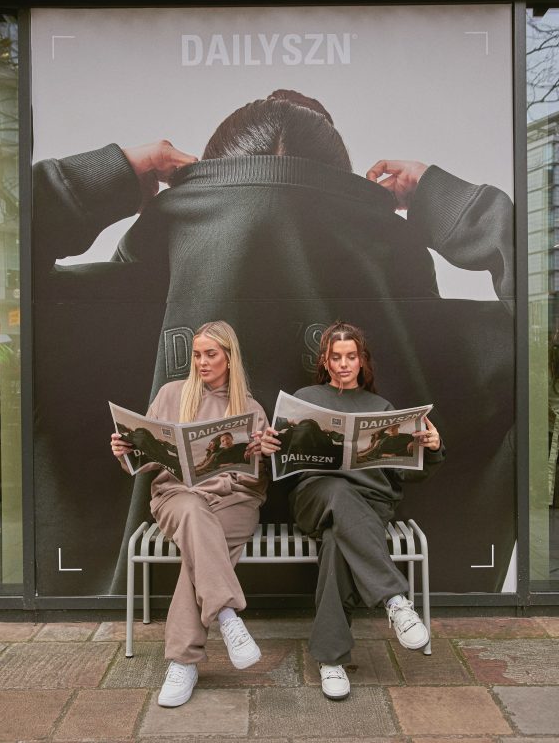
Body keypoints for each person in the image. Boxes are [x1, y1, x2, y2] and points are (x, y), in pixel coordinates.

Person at [33, 88, 514, 600]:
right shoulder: (429, 335)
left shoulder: (94, 317)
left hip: (153, 599)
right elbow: (542, 316)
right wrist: (451, 206)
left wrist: (102, 180)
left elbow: (10, 249)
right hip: (372, 603)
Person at [261, 321, 445, 701]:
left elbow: (407, 473)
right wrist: (268, 450)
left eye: (351, 356)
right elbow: (281, 466)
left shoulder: (381, 408)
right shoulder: (306, 399)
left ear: (362, 360)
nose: (343, 364)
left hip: (369, 506)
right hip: (315, 497)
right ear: (325, 361)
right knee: (337, 488)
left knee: (335, 544)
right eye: (336, 357)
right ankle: (394, 599)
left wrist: (432, 447)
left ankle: (331, 660)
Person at [111, 320, 268, 708]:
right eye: (197, 355)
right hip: (178, 497)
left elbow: (256, 480)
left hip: (234, 500)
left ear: (229, 358)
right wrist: (126, 451)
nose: (202, 362)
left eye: (211, 354)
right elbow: (145, 461)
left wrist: (260, 455)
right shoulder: (171, 394)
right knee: (196, 516)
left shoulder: (249, 409)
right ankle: (227, 617)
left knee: (198, 554)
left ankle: (183, 663)